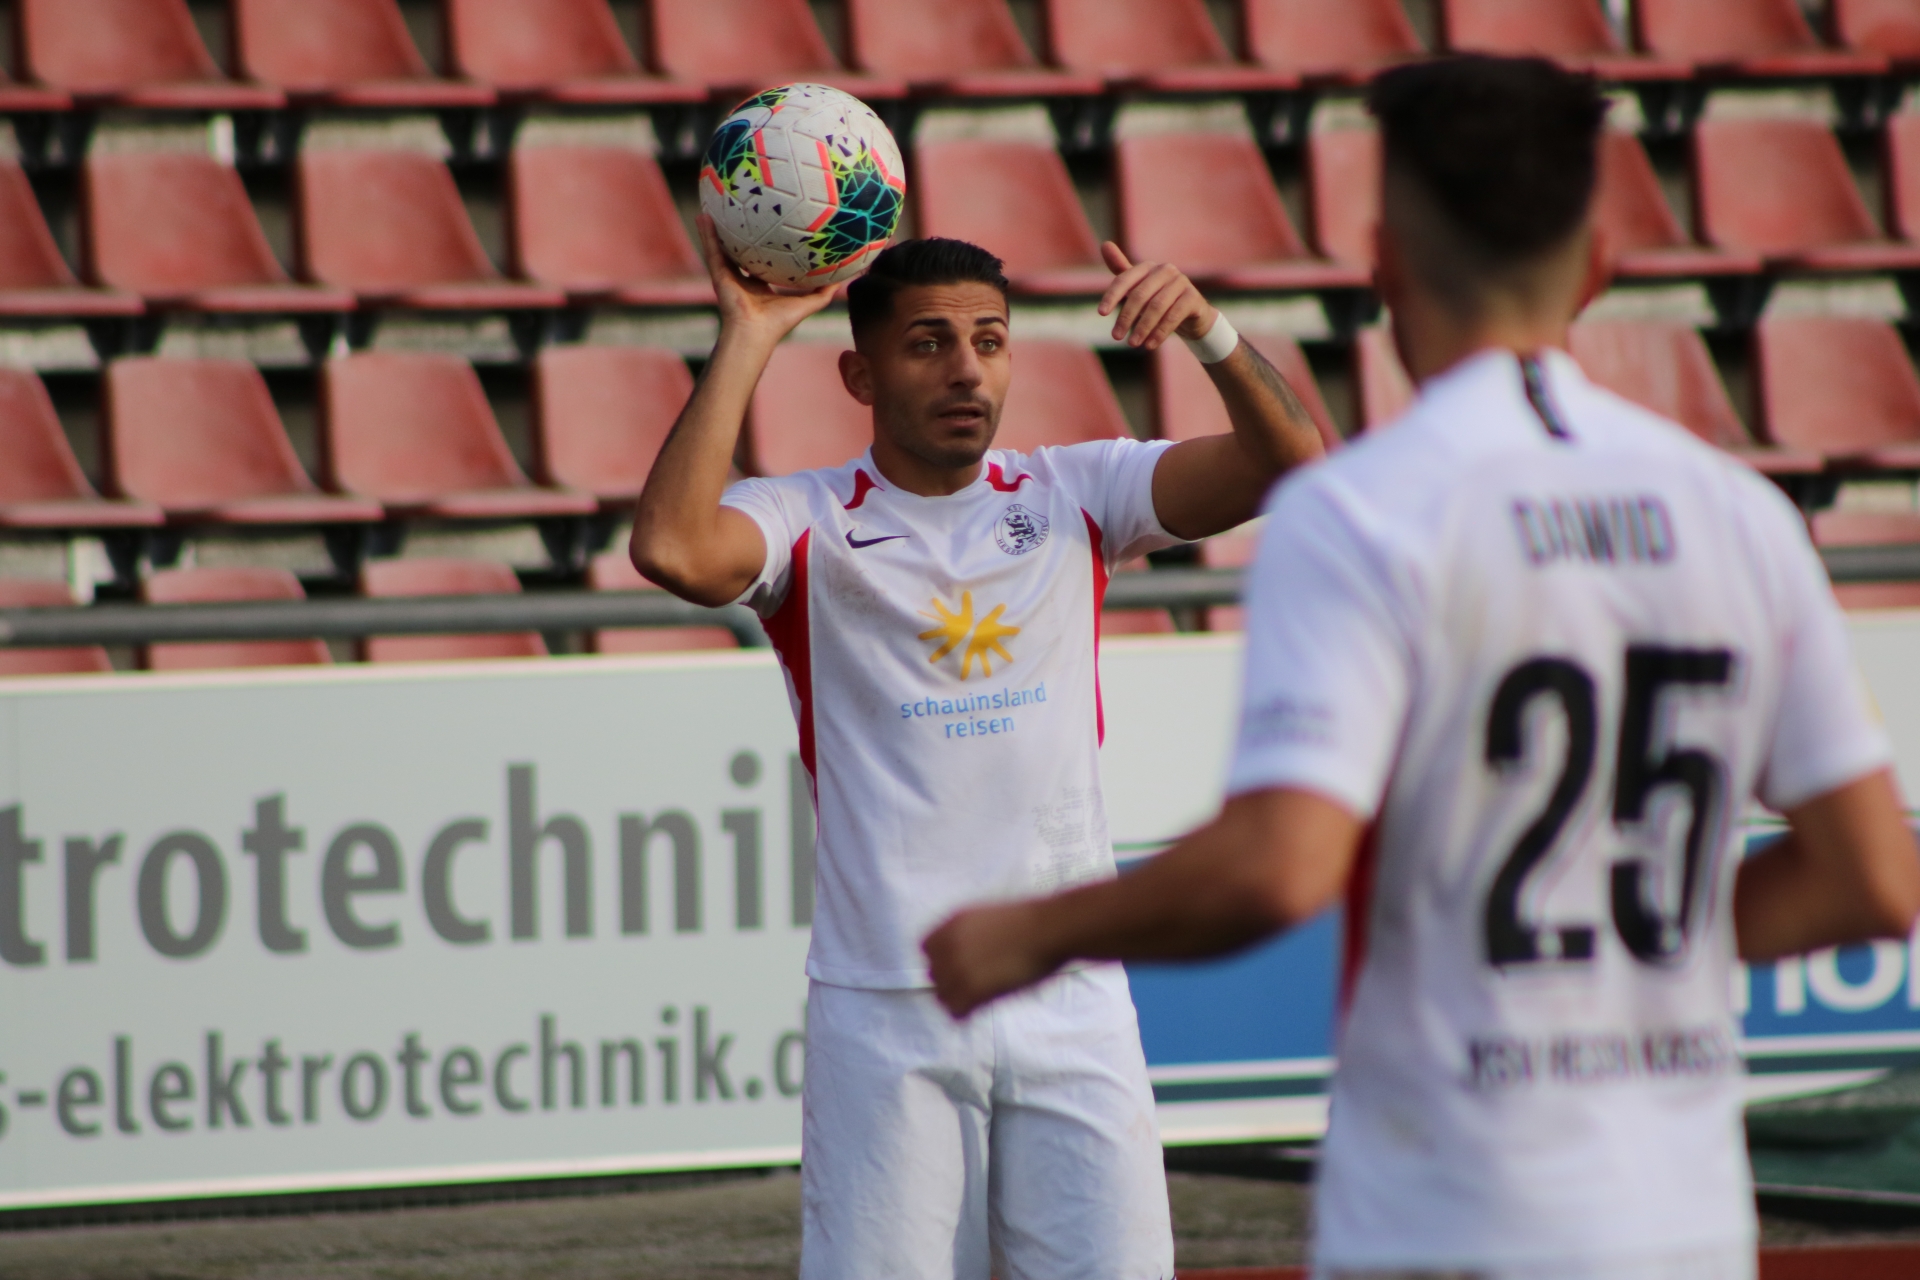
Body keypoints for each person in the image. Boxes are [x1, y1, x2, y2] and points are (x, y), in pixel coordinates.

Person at [924, 55, 1920, 1280]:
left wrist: (1036, 931)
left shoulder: (1368, 509)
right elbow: (1877, 878)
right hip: (1687, 1223)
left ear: (1384, 261)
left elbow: (1278, 865)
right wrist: (1623, 943)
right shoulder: (1737, 512)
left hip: (1451, 1212)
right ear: (1599, 264)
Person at [630, 212, 1327, 1277]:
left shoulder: (1076, 491)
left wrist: (1209, 332)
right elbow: (673, 547)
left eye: (989, 341)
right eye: (929, 343)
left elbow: (1291, 464)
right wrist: (751, 333)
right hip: (888, 1008)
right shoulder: (803, 517)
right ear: (860, 376)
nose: (966, 369)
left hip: (1072, 998)